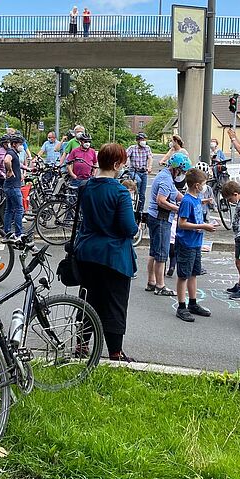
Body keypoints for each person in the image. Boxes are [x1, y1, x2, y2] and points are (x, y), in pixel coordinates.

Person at [75, 143, 138, 362]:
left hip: (87, 252)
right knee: (115, 304)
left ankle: (81, 346)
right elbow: (129, 228)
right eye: (122, 162)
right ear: (115, 164)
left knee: (87, 300)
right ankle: (115, 352)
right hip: (114, 256)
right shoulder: (120, 191)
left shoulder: (85, 186)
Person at [174, 168, 216, 322]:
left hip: (196, 243)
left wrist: (205, 202)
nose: (205, 187)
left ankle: (193, 303)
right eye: (203, 184)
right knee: (183, 275)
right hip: (186, 243)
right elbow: (182, 223)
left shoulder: (197, 198)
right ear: (197, 185)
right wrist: (203, 226)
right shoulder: (186, 200)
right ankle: (181, 306)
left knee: (193, 273)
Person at [145, 152, 189, 296]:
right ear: (176, 168)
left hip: (155, 217)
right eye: (182, 171)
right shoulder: (165, 179)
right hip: (161, 219)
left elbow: (176, 193)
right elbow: (161, 201)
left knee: (154, 251)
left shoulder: (166, 176)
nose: (182, 174)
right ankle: (160, 286)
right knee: (162, 254)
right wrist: (179, 209)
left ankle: (151, 282)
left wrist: (189, 201)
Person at [2, 134, 25, 238]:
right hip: (13, 187)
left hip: (10, 185)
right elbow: (7, 160)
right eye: (20, 144)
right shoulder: (11, 152)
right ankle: (18, 234)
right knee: (19, 210)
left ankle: (6, 233)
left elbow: (16, 164)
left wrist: (27, 169)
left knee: (9, 209)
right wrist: (10, 171)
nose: (22, 146)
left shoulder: (14, 153)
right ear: (14, 144)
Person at [125, 132, 153, 212]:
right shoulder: (132, 148)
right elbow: (125, 156)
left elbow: (150, 158)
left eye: (144, 139)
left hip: (143, 172)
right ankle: (133, 201)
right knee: (138, 182)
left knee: (142, 194)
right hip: (134, 171)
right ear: (137, 141)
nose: (143, 141)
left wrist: (149, 166)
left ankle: (140, 210)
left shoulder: (147, 148)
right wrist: (125, 163)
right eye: (141, 139)